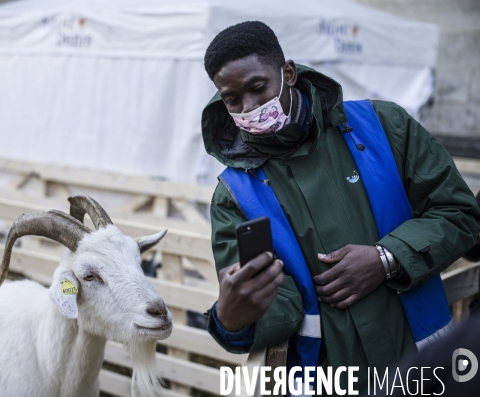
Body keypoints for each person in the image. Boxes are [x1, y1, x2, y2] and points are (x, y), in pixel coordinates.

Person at [201, 21, 480, 394]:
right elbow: (275, 302)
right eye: (233, 100)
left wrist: (387, 258)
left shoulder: (384, 125)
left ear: (288, 73)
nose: (250, 108)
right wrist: (233, 319)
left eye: (257, 88)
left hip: (421, 358)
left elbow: (459, 213)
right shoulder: (232, 193)